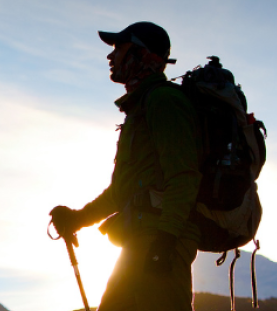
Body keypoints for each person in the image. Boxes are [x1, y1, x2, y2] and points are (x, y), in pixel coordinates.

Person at [50, 21, 201, 311]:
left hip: (160, 241)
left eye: (119, 48)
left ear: (142, 54)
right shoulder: (140, 108)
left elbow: (184, 176)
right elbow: (122, 191)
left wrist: (165, 241)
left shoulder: (164, 101)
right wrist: (77, 219)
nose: (111, 56)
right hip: (141, 241)